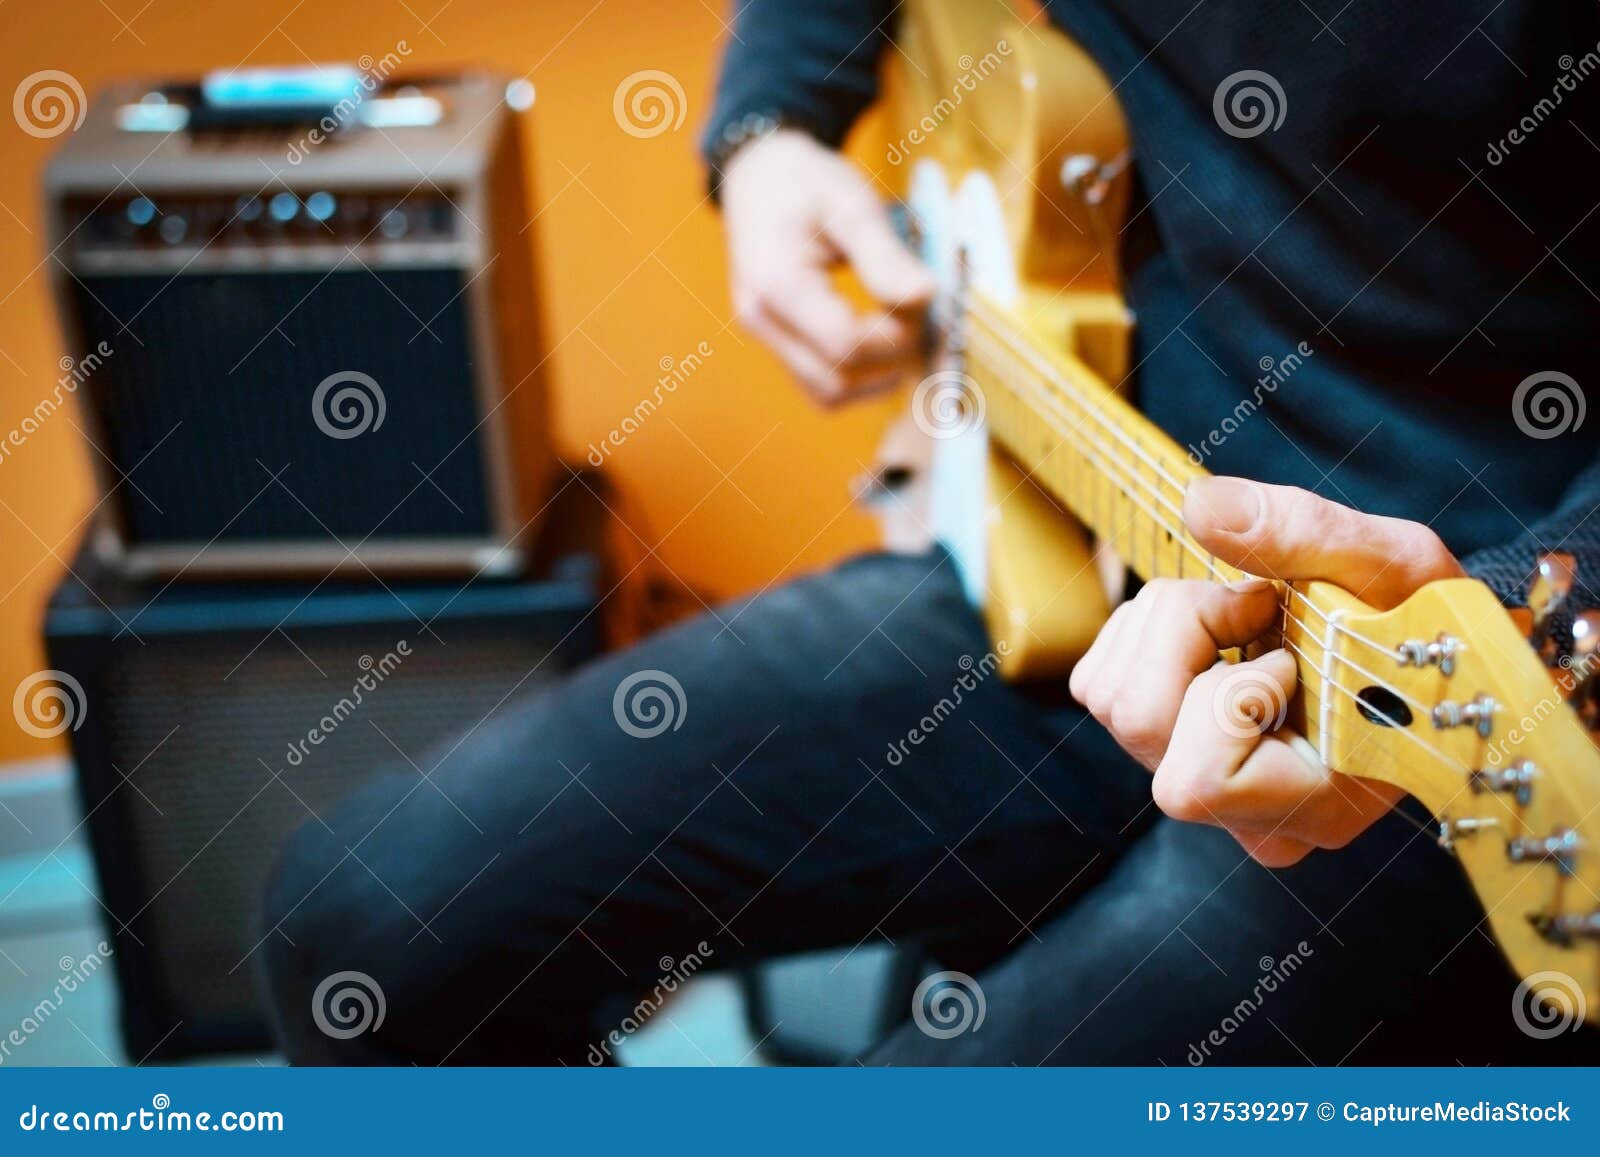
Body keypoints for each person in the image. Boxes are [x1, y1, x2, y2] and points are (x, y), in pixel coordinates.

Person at [258, 1, 1600, 1064]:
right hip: (1050, 521)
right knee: (361, 925)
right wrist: (771, 127)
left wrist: (1555, 602)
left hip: (1423, 697)